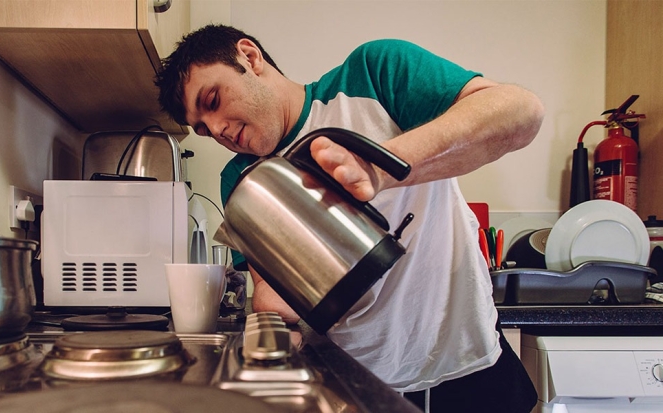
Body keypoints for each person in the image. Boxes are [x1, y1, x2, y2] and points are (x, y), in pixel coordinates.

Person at [155, 24, 543, 413]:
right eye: (203, 129)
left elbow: (521, 112)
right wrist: (274, 327)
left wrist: (380, 167)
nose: (218, 129)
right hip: (357, 384)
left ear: (249, 57)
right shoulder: (239, 180)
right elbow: (275, 300)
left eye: (214, 99)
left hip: (468, 364)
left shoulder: (371, 75)